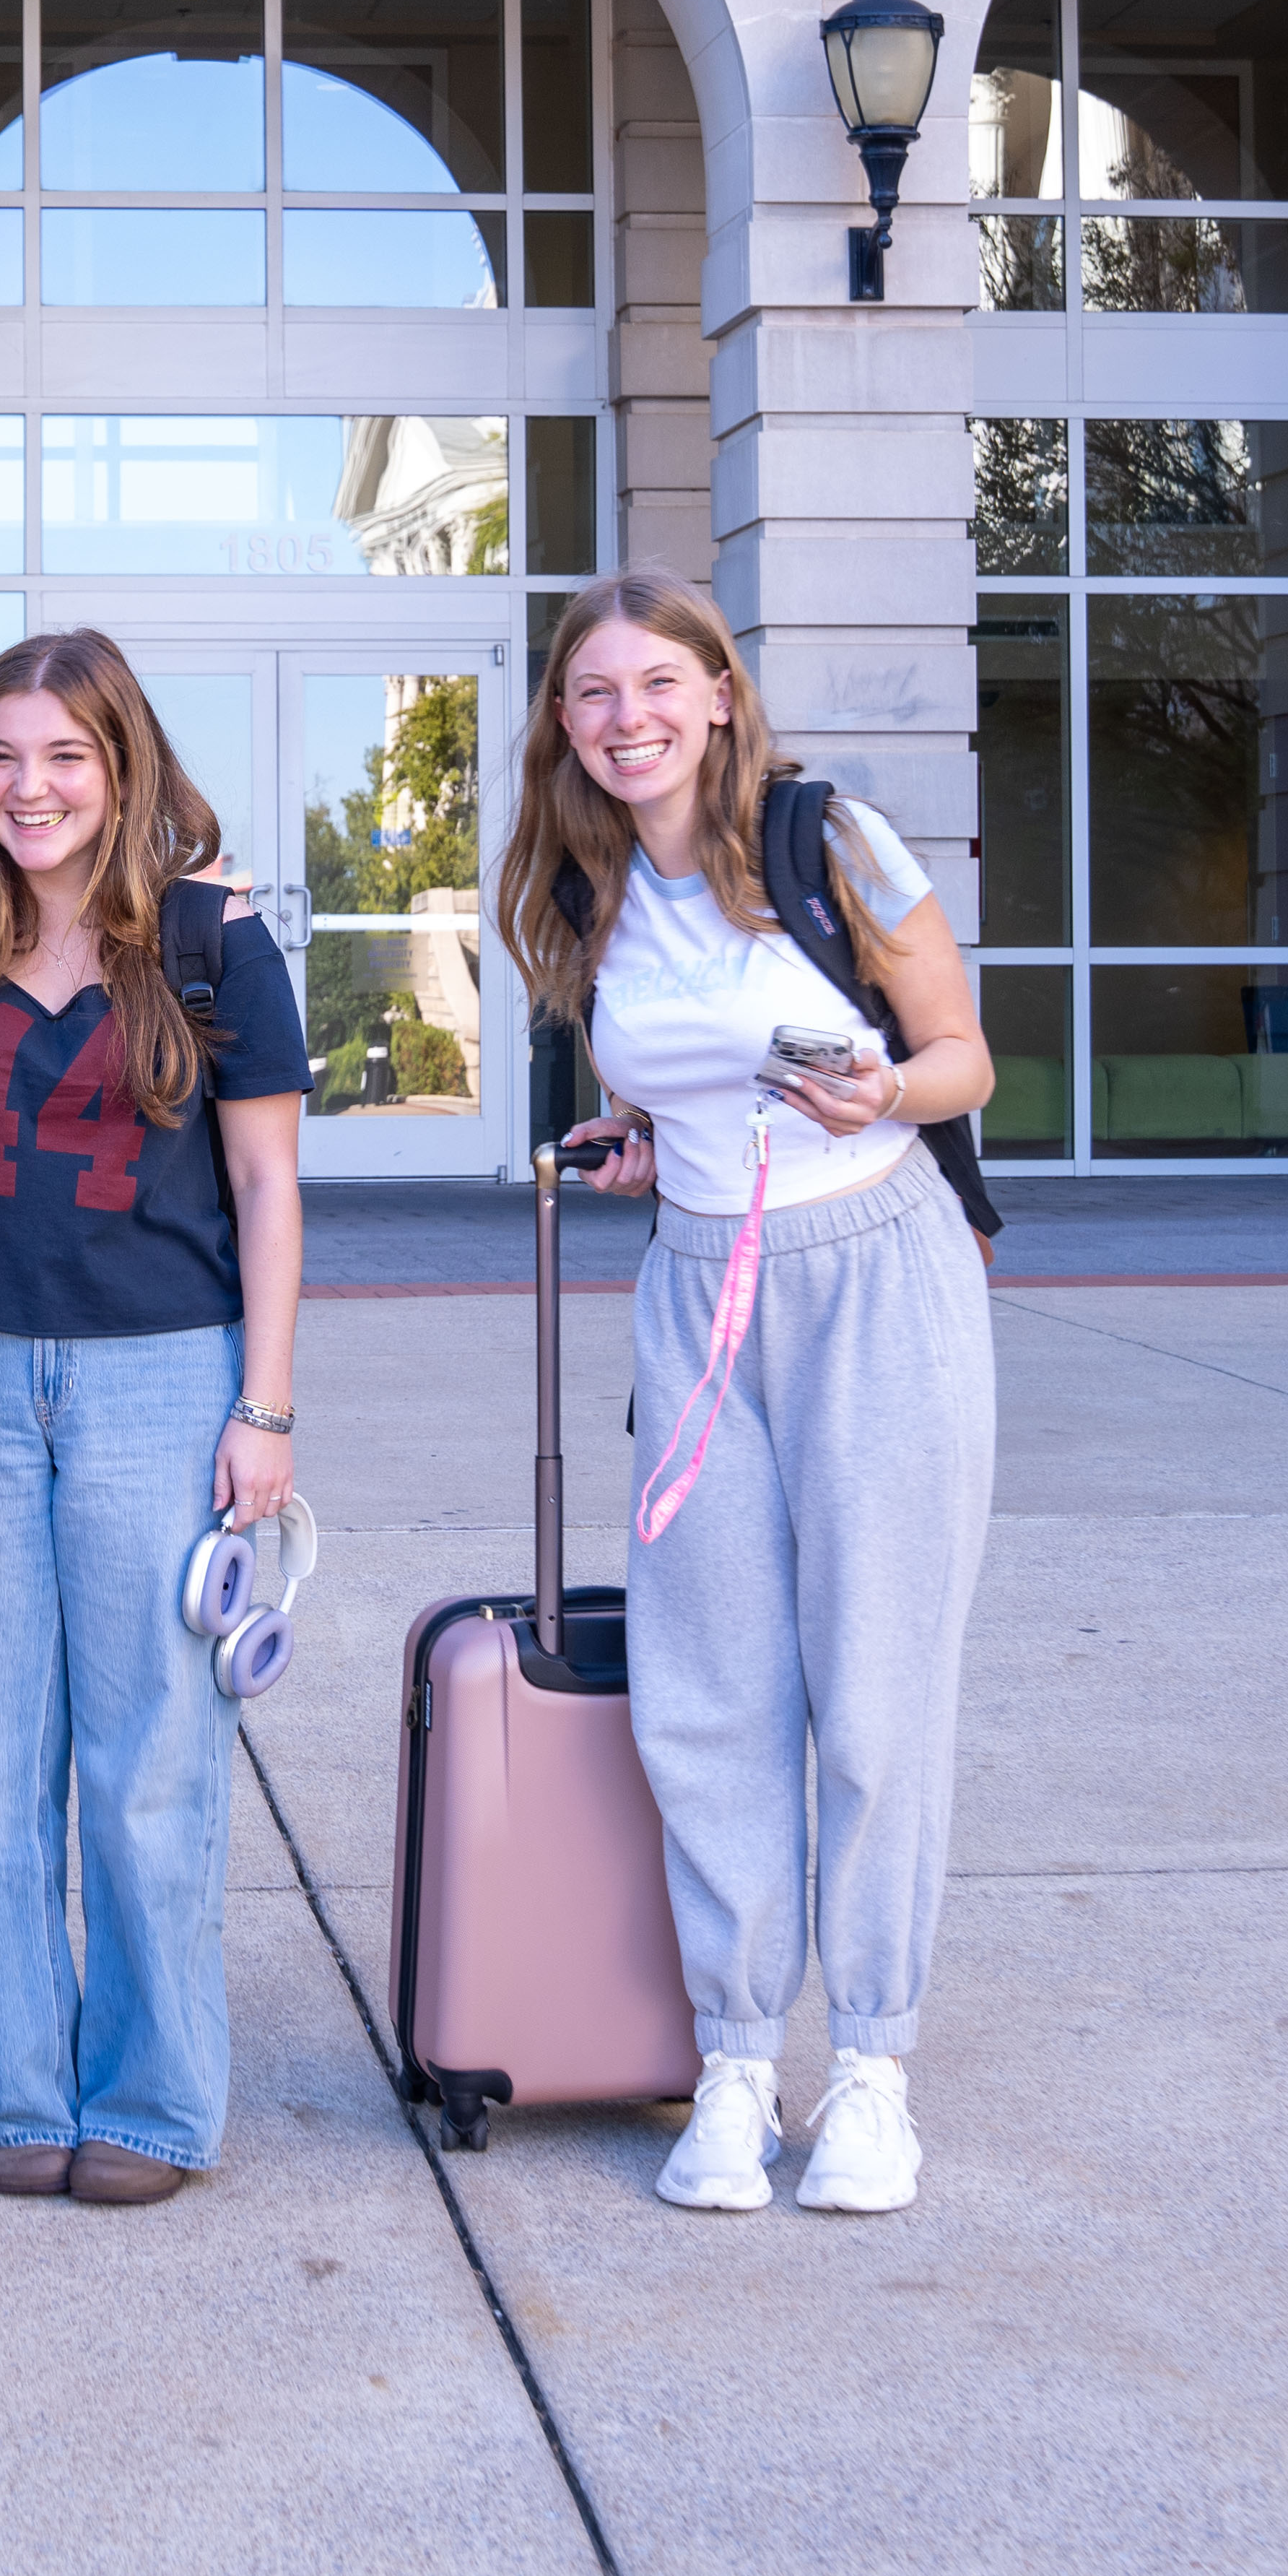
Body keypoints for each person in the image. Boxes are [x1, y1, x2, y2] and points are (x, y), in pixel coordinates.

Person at [487, 569, 1001, 2221]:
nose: (625, 719)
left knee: (872, 1689)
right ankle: (728, 2058)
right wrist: (657, 1142)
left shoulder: (829, 841)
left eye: (656, 686)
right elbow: (684, 1073)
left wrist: (884, 1096)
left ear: (719, 693)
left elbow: (963, 1061)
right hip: (699, 1286)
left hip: (875, 1276)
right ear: (563, 724)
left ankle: (869, 2066)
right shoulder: (585, 889)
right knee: (703, 1691)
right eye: (591, 695)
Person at [0, 630, 313, 2208]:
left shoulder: (213, 946)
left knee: (152, 1754)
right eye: (1, 757)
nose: (30, 787)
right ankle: (19, 2084)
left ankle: (150, 2100)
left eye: (65, 756)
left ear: (122, 764)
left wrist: (265, 1407)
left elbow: (270, 1184)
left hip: (166, 1376)